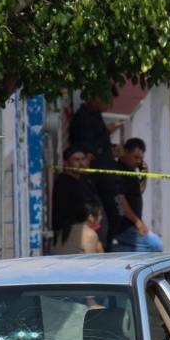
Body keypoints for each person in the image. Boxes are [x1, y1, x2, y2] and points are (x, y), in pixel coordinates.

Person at [69, 91, 120, 244]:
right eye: (107, 101)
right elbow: (89, 147)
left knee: (113, 216)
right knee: (103, 218)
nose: (109, 106)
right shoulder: (83, 118)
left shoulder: (95, 115)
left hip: (106, 177)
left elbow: (100, 144)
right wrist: (107, 131)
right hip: (98, 180)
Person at [110, 138, 163, 252]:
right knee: (156, 246)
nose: (139, 161)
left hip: (132, 224)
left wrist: (144, 174)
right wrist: (137, 222)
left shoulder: (131, 170)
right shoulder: (118, 170)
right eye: (136, 157)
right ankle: (112, 250)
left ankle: (115, 251)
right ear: (125, 152)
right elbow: (121, 200)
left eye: (141, 158)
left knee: (143, 250)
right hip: (124, 226)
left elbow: (138, 192)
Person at [51, 147, 102, 246]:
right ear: (66, 163)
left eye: (83, 159)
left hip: (91, 230)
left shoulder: (85, 179)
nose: (81, 163)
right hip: (72, 233)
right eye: (76, 160)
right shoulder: (63, 183)